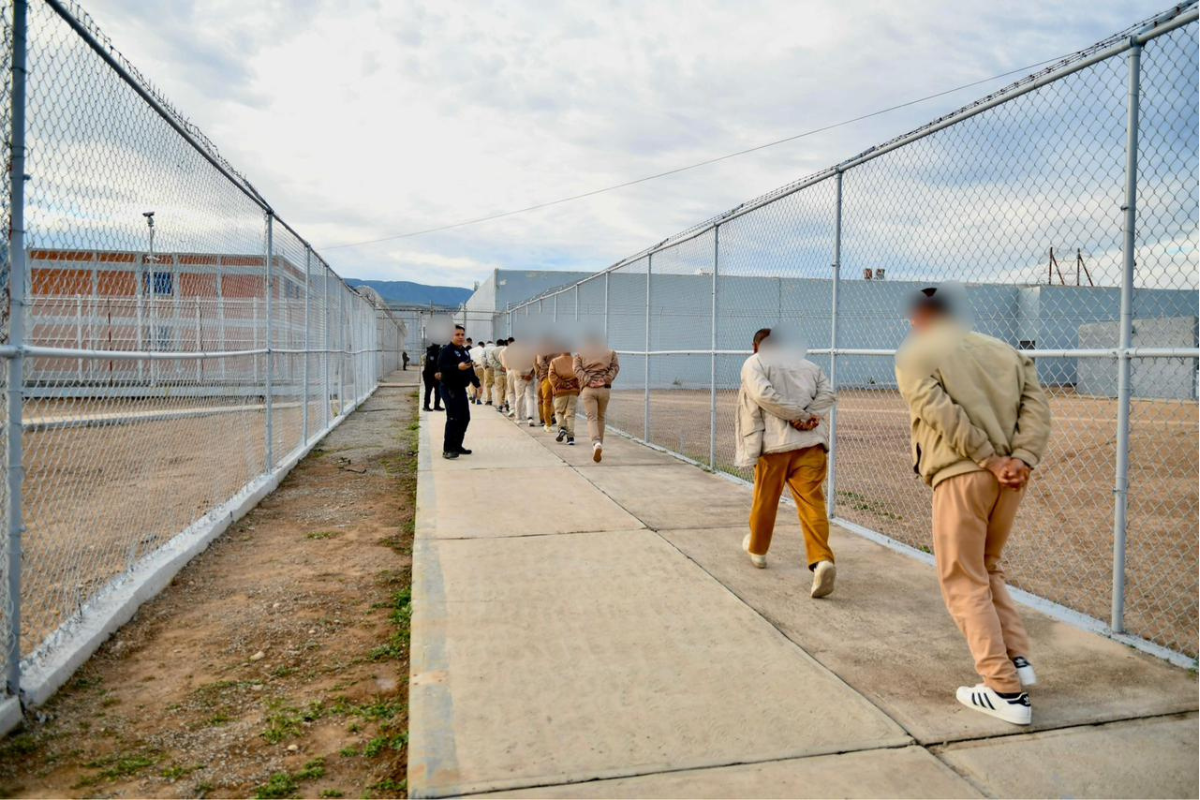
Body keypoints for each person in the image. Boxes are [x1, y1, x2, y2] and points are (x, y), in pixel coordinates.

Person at [895, 286, 1051, 726]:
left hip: (963, 473)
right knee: (987, 565)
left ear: (919, 317)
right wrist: (1020, 459)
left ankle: (1004, 689)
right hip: (1010, 480)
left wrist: (987, 458)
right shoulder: (1004, 350)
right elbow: (1037, 409)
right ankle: (1017, 658)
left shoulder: (917, 352)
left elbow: (937, 411)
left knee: (962, 577)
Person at [734, 328, 837, 599]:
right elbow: (828, 394)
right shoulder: (809, 366)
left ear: (756, 346)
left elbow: (763, 395)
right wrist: (811, 416)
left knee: (765, 499)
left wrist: (796, 416)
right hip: (811, 445)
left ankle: (758, 551)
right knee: (812, 503)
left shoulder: (754, 363)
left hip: (775, 446)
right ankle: (821, 560)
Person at [573, 337, 619, 462]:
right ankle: (600, 445)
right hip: (604, 389)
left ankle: (596, 443)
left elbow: (577, 370)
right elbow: (615, 368)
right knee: (601, 417)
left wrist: (588, 380)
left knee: (591, 417)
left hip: (588, 389)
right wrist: (605, 379)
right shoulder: (610, 353)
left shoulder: (580, 354)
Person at [438, 325, 480, 459]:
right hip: (449, 388)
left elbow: (469, 368)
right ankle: (448, 449)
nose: (461, 337)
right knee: (453, 418)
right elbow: (442, 368)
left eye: (462, 334)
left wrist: (477, 384)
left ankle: (457, 445)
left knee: (464, 418)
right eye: (457, 334)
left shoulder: (465, 352)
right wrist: (457, 367)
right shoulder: (446, 351)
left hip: (461, 389)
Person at [548, 350, 580, 445]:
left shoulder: (555, 361)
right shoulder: (576, 360)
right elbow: (580, 375)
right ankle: (570, 438)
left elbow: (551, 376)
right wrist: (577, 388)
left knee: (559, 412)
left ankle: (562, 428)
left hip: (560, 391)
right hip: (573, 391)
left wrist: (562, 384)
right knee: (570, 414)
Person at [502, 339, 537, 426]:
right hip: (530, 378)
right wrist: (531, 375)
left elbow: (512, 367)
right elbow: (535, 365)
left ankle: (518, 418)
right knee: (530, 398)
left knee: (519, 398)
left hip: (519, 378)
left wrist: (522, 376)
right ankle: (530, 417)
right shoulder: (532, 353)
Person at [534, 349, 557, 432]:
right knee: (560, 399)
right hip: (557, 376)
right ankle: (561, 423)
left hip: (545, 377)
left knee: (545, 400)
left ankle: (546, 422)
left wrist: (548, 370)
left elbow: (539, 362)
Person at [489, 338, 509, 414]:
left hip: (498, 373)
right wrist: (506, 367)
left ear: (496, 344)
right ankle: (507, 402)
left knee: (499, 390)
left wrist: (500, 367)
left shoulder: (493, 351)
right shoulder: (508, 349)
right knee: (508, 389)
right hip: (507, 372)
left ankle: (500, 405)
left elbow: (491, 361)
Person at [422, 343, 443, 412]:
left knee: (438, 391)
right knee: (428, 390)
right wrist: (436, 372)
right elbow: (430, 364)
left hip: (437, 374)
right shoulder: (431, 353)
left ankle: (436, 405)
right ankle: (426, 406)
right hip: (429, 374)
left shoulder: (439, 352)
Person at [470, 339, 487, 405]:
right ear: (483, 345)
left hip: (472, 368)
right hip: (480, 367)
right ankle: (478, 399)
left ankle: (473, 394)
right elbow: (484, 359)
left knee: (472, 382)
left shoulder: (471, 350)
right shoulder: (483, 350)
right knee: (480, 383)